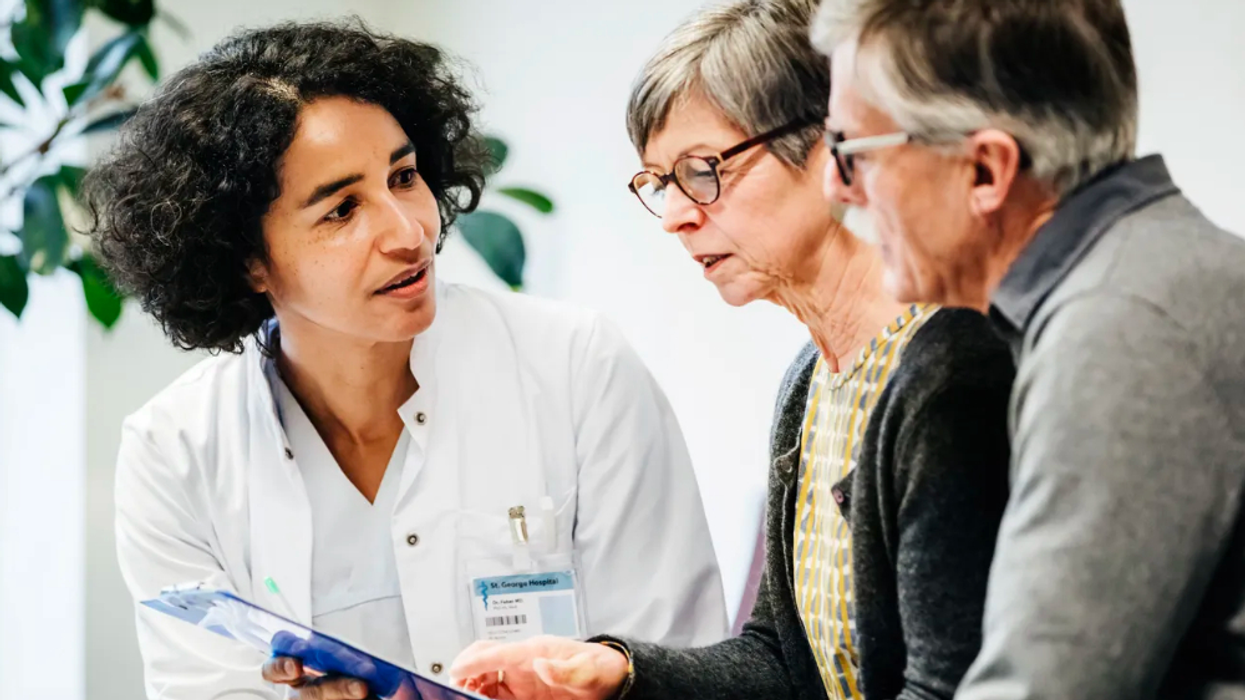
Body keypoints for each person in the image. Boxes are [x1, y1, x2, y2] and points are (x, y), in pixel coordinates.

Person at [87, 21, 727, 700]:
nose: (406, 231)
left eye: (403, 176)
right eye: (340, 210)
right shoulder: (176, 451)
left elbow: (676, 663)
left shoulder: (576, 368)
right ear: (246, 259)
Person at [450, 2, 1014, 699]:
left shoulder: (949, 369)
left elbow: (952, 685)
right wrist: (619, 672)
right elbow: (780, 657)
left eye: (702, 169)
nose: (679, 215)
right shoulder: (810, 380)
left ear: (828, 145)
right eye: (661, 184)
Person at [810, 0, 1245, 697]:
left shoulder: (1116, 330)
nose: (835, 188)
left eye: (851, 152)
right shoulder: (1143, 277)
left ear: (984, 169)